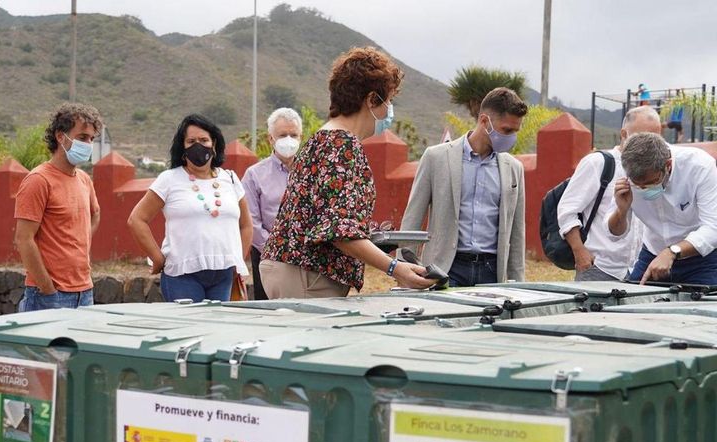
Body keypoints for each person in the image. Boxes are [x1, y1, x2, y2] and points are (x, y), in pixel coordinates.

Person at [259, 46, 435, 298]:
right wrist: (395, 268)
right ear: (372, 99)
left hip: (293, 268)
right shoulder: (342, 145)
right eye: (389, 100)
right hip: (308, 274)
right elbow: (339, 232)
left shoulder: (323, 138)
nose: (389, 110)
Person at [401, 87, 528, 286]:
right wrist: (404, 268)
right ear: (484, 121)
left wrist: (518, 283)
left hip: (492, 272)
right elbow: (413, 217)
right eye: (507, 130)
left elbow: (517, 232)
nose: (511, 138)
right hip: (445, 268)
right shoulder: (436, 157)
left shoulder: (514, 169)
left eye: (515, 131)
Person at [128, 114, 251, 302]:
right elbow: (137, 219)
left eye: (204, 140)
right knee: (189, 329)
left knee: (220, 330)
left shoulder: (231, 179)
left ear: (214, 144)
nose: (198, 145)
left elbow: (246, 225)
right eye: (191, 141)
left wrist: (237, 260)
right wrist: (157, 257)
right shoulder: (169, 179)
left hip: (223, 275)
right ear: (182, 147)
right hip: (182, 275)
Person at [15, 103, 102, 311]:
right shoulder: (38, 180)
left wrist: (77, 244)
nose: (88, 144)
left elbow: (95, 214)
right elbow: (23, 239)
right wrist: (47, 287)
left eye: (91, 139)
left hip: (84, 292)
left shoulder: (83, 179)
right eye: (82, 137)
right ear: (60, 137)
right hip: (49, 296)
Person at [557, 106, 660, 281]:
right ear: (624, 134)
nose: (648, 146)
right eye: (641, 137)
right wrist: (579, 251)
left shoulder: (657, 169)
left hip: (640, 270)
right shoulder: (597, 163)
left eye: (655, 139)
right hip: (599, 267)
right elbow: (567, 211)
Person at [607, 131, 717, 285]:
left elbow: (713, 228)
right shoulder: (626, 173)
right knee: (632, 304)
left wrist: (672, 252)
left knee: (699, 307)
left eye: (651, 182)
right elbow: (614, 234)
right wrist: (621, 210)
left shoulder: (699, 166)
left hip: (701, 259)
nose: (644, 189)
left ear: (668, 165)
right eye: (638, 185)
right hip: (653, 254)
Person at [241, 107, 303, 300]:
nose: (289, 139)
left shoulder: (312, 172)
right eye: (283, 135)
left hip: (307, 257)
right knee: (269, 312)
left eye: (294, 135)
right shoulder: (254, 175)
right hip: (268, 256)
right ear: (271, 139)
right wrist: (276, 249)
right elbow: (251, 221)